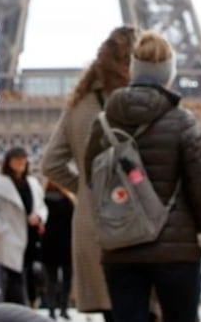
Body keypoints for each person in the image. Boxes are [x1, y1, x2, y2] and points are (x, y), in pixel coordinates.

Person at [82, 31, 201, 322]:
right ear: (169, 74)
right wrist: (194, 225)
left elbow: (93, 178)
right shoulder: (183, 122)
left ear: (133, 70)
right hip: (176, 250)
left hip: (121, 245)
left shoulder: (104, 122)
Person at [40, 25, 137, 320]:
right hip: (136, 216)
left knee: (112, 310)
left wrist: (86, 186)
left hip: (92, 221)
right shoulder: (140, 99)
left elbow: (50, 164)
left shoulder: (79, 104)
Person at [0, 148, 48, 305]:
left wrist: (38, 217)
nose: (20, 163)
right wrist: (3, 230)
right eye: (16, 159)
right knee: (14, 276)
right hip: (10, 236)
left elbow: (41, 206)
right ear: (8, 162)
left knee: (30, 274)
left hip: (31, 235)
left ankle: (29, 305)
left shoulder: (33, 183)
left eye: (23, 160)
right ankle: (17, 310)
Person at [40, 181, 74, 319]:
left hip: (49, 244)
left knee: (51, 279)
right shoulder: (68, 200)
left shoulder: (43, 201)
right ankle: (64, 308)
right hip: (67, 243)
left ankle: (51, 310)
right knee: (67, 278)